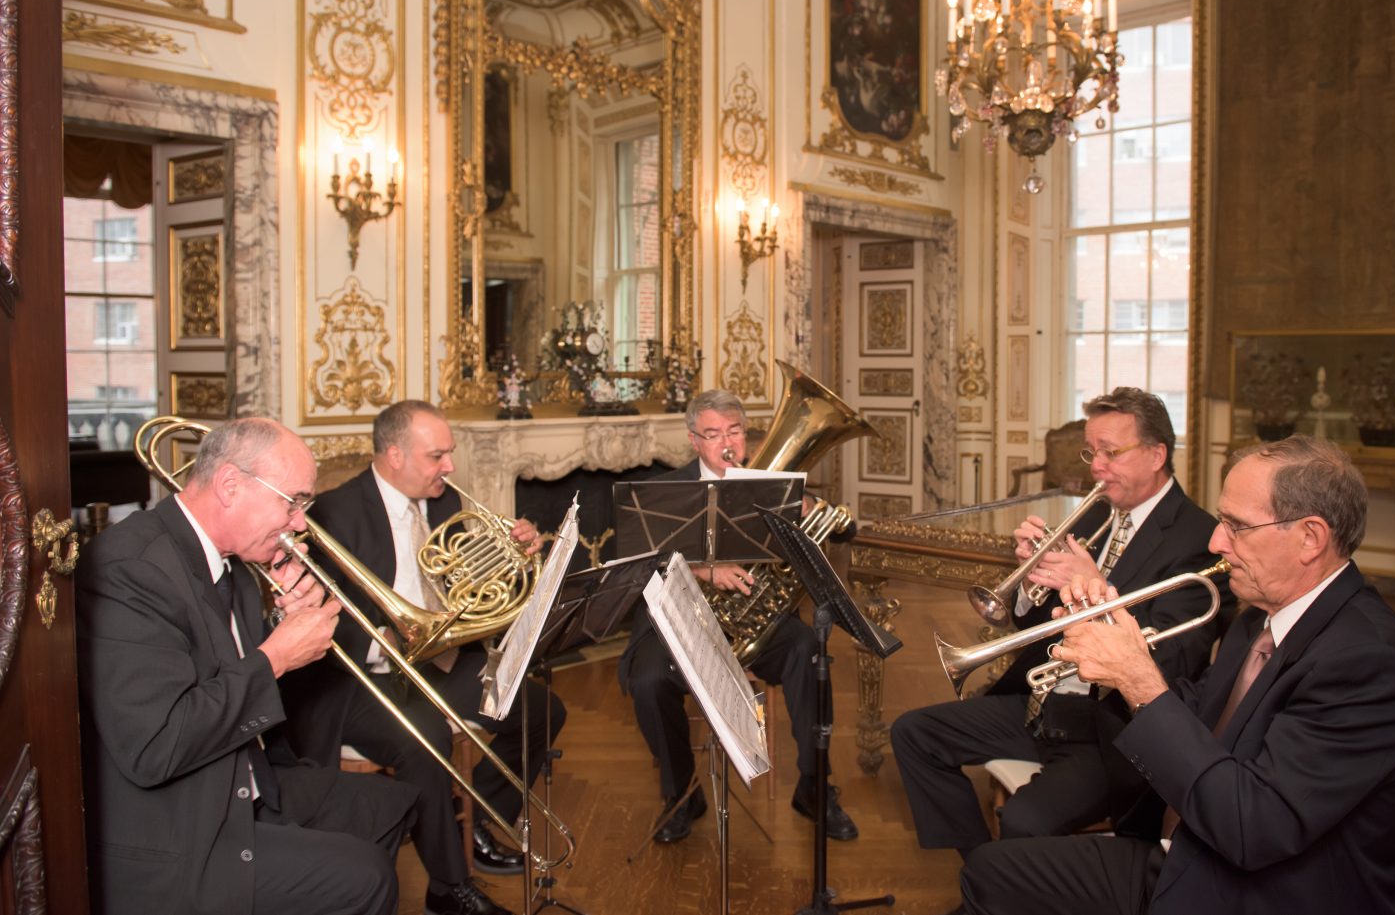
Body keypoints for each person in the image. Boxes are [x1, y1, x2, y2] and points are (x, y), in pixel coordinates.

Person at [960, 435, 1395, 915]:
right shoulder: (1261, 615)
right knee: (988, 871)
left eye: (1236, 526)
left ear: (1310, 539)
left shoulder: (1369, 662)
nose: (1215, 541)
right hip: (1199, 849)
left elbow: (1254, 829)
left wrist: (1140, 680)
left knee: (994, 882)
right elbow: (1199, 711)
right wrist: (1116, 664)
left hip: (1265, 891)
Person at [76, 417, 418, 915]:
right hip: (180, 826)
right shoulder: (129, 567)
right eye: (293, 501)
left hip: (248, 772)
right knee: (366, 877)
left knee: (390, 806)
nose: (300, 522)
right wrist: (276, 655)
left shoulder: (229, 562)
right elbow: (156, 747)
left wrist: (284, 622)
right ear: (231, 486)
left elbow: (237, 678)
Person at [891, 388, 1232, 874]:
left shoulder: (1198, 540)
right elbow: (1038, 627)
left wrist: (1093, 585)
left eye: (1111, 452)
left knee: (1025, 822)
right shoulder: (1098, 512)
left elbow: (1170, 664)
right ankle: (983, 874)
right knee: (914, 734)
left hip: (1106, 731)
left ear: (1157, 455)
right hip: (1045, 702)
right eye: (1092, 452)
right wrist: (1031, 585)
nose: (1096, 465)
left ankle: (997, 884)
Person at [289, 400, 566, 915]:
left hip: (434, 662)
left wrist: (513, 555)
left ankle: (479, 813)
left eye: (450, 454)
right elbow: (312, 615)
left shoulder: (443, 502)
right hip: (362, 676)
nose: (450, 467)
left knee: (542, 710)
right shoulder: (334, 512)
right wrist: (383, 639)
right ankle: (448, 887)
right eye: (437, 455)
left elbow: (469, 589)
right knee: (426, 741)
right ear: (394, 455)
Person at [619, 388, 860, 843]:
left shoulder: (771, 484)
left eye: (734, 431)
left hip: (749, 620)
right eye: (713, 434)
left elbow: (845, 535)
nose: (726, 443)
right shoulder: (663, 490)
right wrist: (704, 569)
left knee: (809, 651)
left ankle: (813, 786)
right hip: (679, 618)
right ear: (694, 441)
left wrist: (807, 512)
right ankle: (680, 796)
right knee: (649, 681)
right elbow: (636, 561)